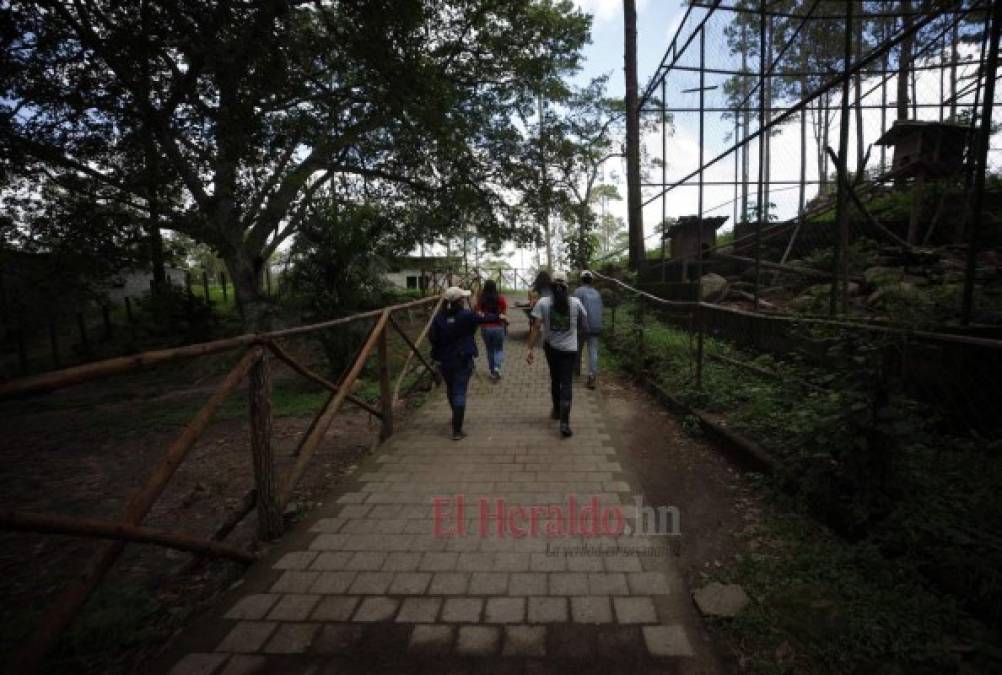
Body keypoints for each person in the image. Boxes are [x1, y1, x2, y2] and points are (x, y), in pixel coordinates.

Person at [429, 286, 505, 440]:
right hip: (462, 359)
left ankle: (455, 416)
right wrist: (500, 317)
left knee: (451, 389)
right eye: (463, 298)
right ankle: (457, 430)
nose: (465, 300)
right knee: (459, 392)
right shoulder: (466, 315)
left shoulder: (439, 317)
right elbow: (485, 319)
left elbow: (432, 338)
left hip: (444, 360)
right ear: (459, 301)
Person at [525, 270, 587, 438]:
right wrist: (577, 336)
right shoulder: (575, 302)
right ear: (567, 287)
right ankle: (565, 423)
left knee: (555, 379)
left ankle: (557, 411)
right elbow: (584, 322)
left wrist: (529, 349)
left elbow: (536, 327)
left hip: (551, 349)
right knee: (566, 383)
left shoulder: (543, 302)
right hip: (570, 349)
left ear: (551, 286)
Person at [572, 270, 604, 389]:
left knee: (577, 348)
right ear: (591, 281)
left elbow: (573, 309)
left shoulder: (577, 292)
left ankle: (576, 370)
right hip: (596, 326)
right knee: (593, 351)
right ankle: (592, 377)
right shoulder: (597, 293)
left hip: (582, 326)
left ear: (581, 280)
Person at [476, 279, 508, 380]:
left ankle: (492, 371)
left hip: (485, 327)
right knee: (498, 349)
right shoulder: (500, 298)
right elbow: (504, 312)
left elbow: (478, 311)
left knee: (489, 349)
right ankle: (497, 368)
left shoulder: (481, 299)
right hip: (498, 326)